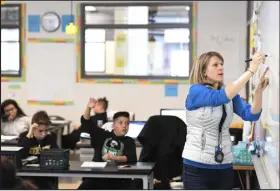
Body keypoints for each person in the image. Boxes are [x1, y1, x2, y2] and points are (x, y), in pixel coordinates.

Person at [182, 51, 268, 189]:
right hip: (197, 166)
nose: (221, 67)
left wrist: (258, 93)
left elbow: (251, 115)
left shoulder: (229, 94)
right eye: (215, 65)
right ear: (204, 71)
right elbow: (218, 98)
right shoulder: (196, 91)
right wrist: (251, 70)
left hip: (224, 165)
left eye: (221, 64)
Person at [78, 98, 137, 189]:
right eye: (121, 123)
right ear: (113, 125)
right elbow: (86, 122)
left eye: (127, 123)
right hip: (97, 177)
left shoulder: (129, 141)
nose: (124, 126)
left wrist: (115, 158)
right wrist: (88, 108)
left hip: (118, 179)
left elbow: (130, 157)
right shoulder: (102, 135)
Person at [18, 110, 59, 189]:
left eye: (46, 130)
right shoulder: (24, 136)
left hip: (45, 177)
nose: (43, 134)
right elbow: (20, 155)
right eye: (40, 131)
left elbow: (57, 155)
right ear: (33, 128)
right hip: (28, 177)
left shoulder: (50, 138)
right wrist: (29, 134)